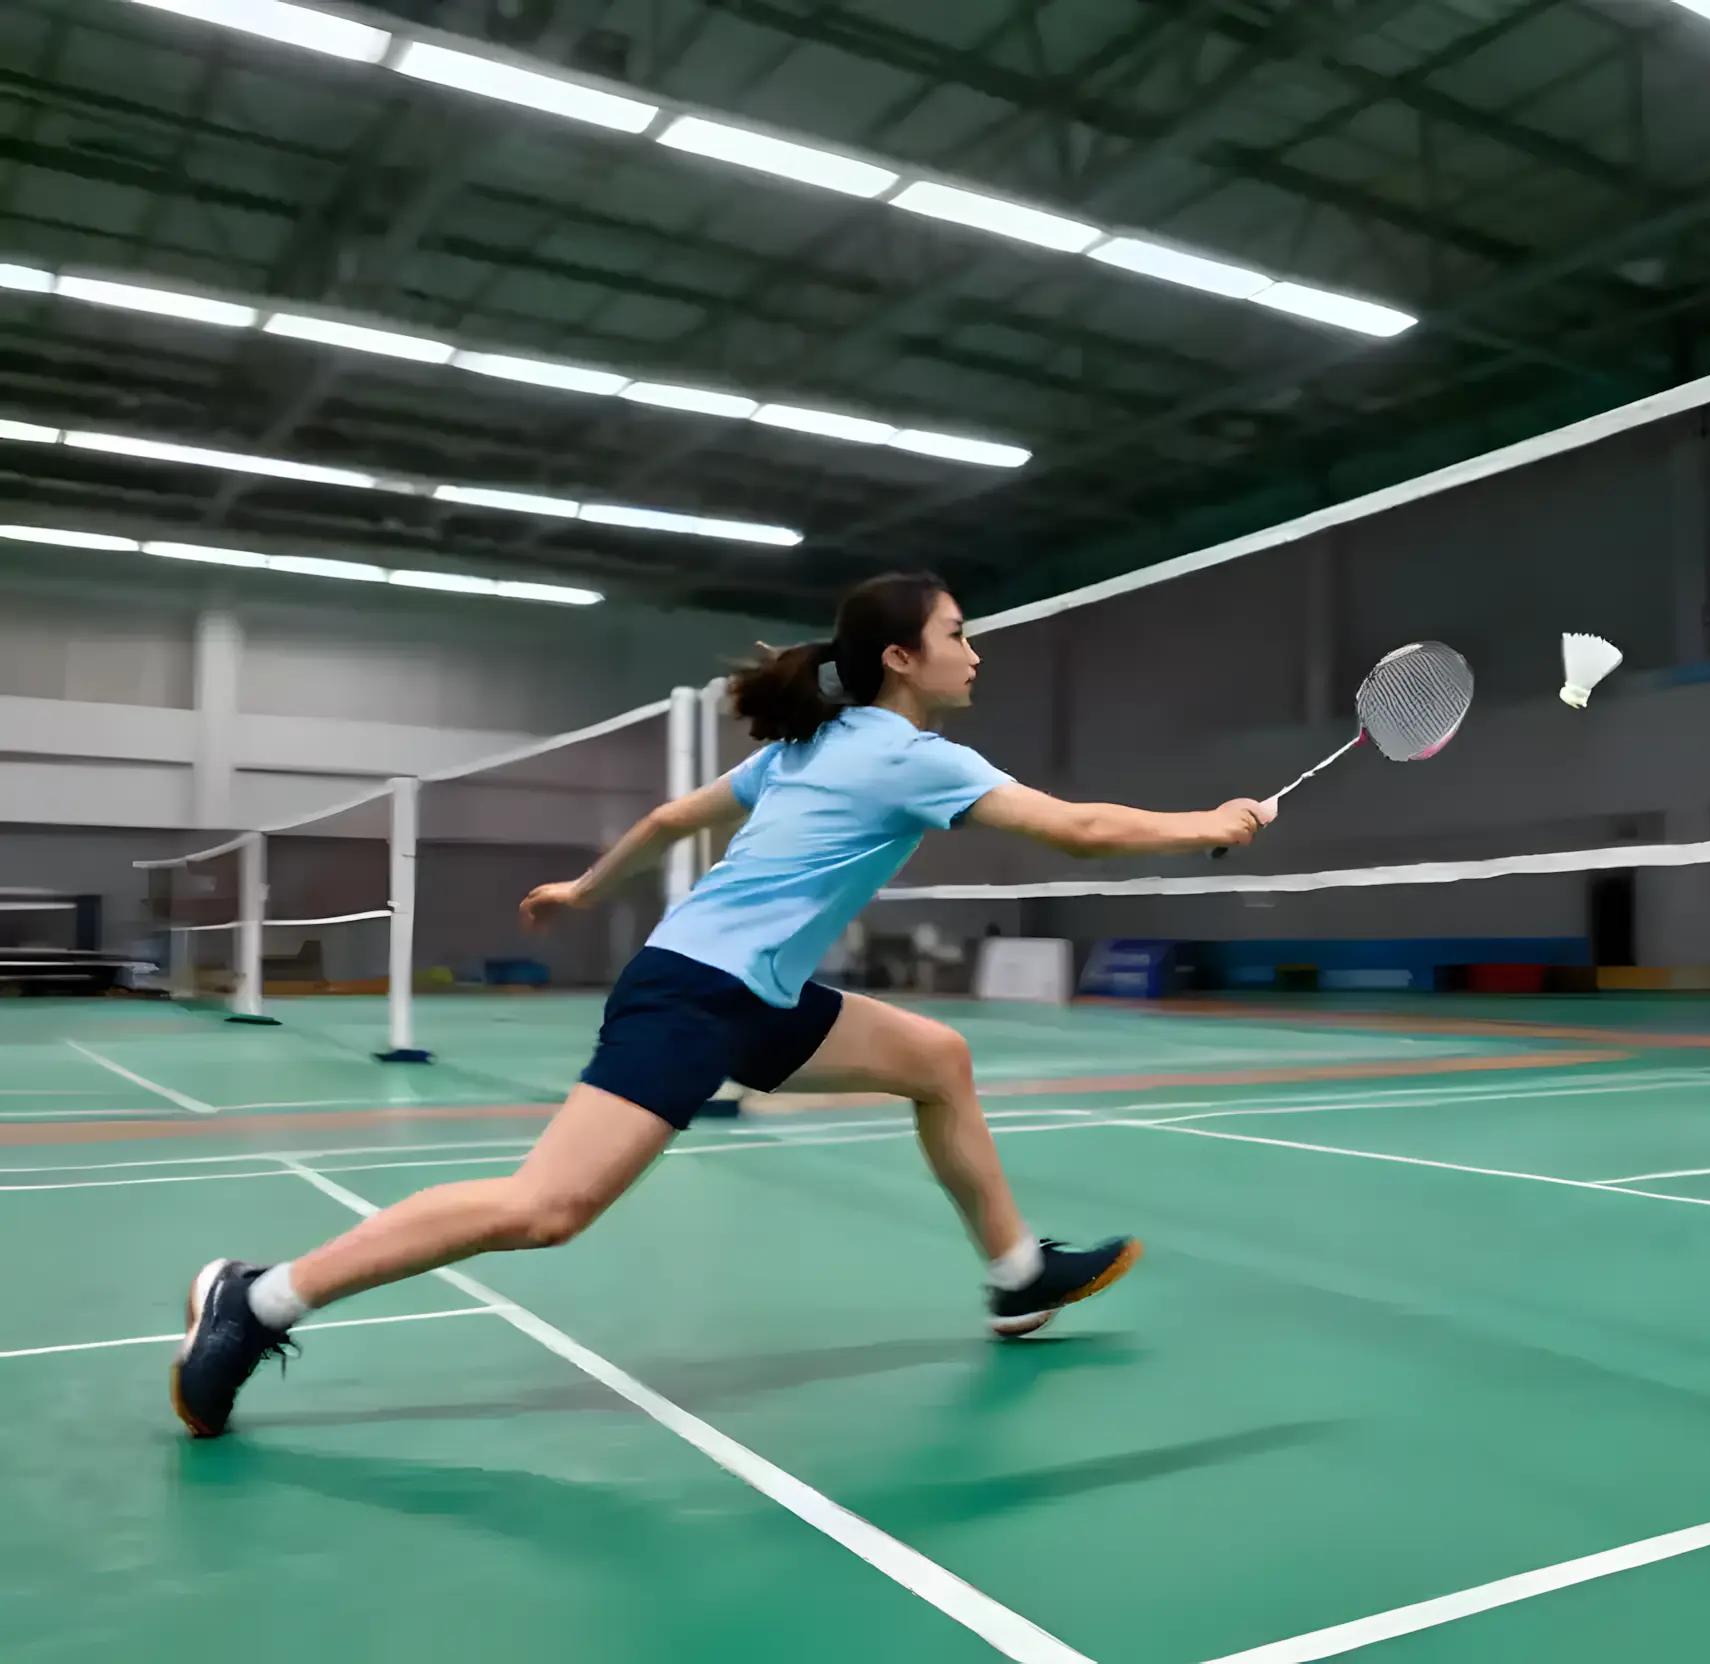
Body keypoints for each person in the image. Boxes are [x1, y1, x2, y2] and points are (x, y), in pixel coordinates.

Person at [173, 572, 1271, 1438]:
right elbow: (1074, 827)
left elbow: (665, 818)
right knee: (547, 1207)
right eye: (956, 633)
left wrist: (582, 888)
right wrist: (1204, 825)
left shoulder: (813, 742)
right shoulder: (907, 754)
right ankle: (258, 1296)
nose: (973, 652)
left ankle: (1014, 1272)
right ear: (902, 657)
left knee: (935, 1056)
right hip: (697, 992)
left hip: (760, 994)